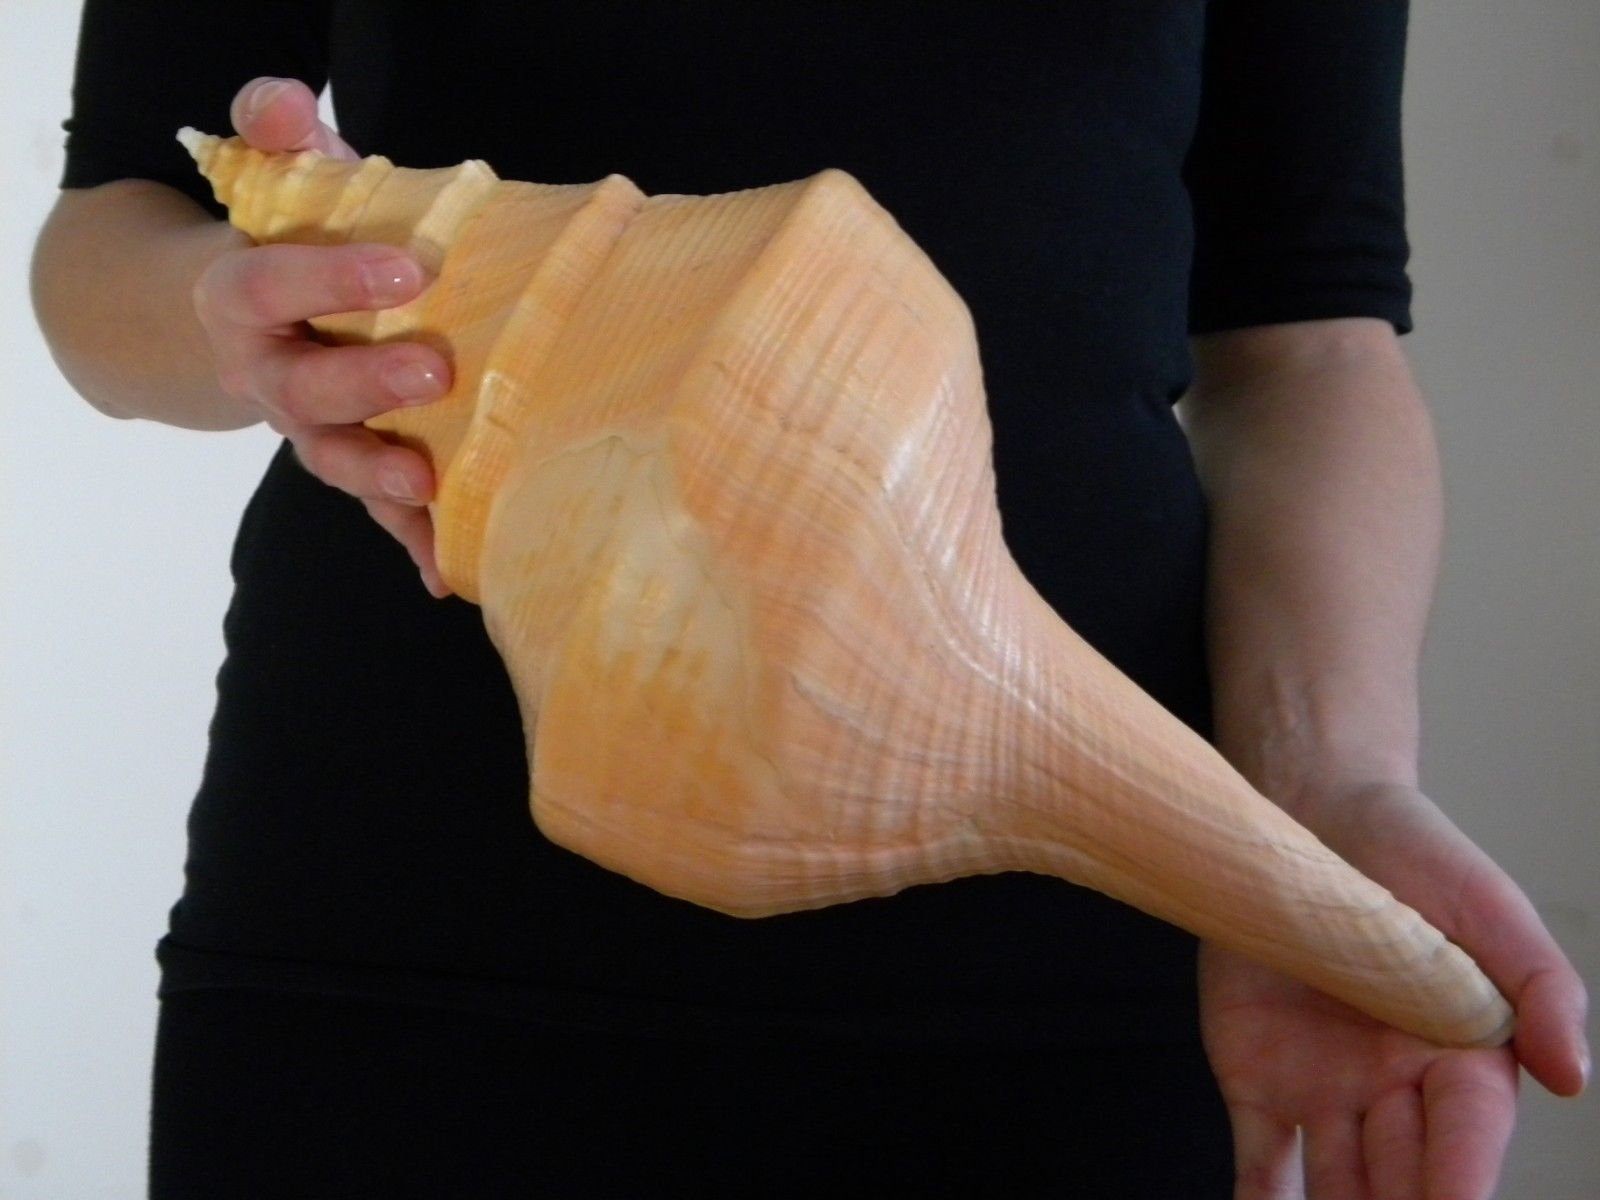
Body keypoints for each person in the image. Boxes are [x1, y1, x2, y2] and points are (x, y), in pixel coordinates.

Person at [32, 3, 1587, 1196]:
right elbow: (105, 235)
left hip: (1079, 965)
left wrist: (1328, 787)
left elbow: (1312, 336)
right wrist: (231, 314)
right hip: (399, 915)